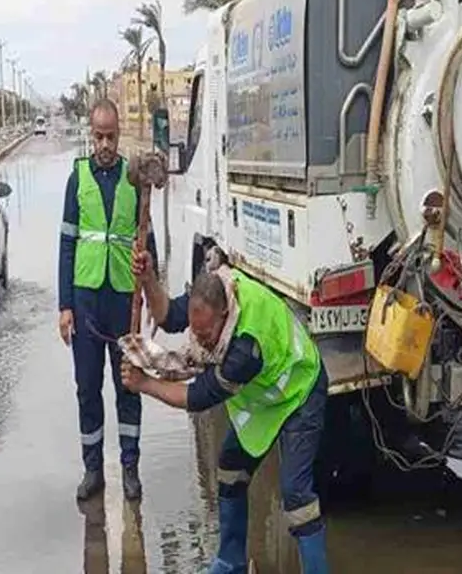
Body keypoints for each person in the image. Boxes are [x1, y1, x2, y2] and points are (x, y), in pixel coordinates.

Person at [122, 245, 330, 574]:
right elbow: (167, 316)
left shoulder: (245, 348)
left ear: (223, 316)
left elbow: (199, 398)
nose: (200, 342)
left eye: (205, 335)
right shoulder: (215, 293)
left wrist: (146, 384)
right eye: (196, 332)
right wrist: (148, 278)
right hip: (265, 401)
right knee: (231, 469)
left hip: (299, 392)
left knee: (296, 495)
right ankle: (230, 562)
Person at [59, 97, 157, 502]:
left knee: (128, 386)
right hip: (85, 300)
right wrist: (64, 306)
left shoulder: (133, 180)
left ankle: (130, 467)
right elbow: (66, 245)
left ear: (118, 136)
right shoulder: (77, 178)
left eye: (111, 137)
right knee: (87, 387)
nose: (104, 144)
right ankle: (93, 469)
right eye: (98, 136)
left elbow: (147, 239)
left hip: (123, 301)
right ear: (90, 135)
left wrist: (152, 291)